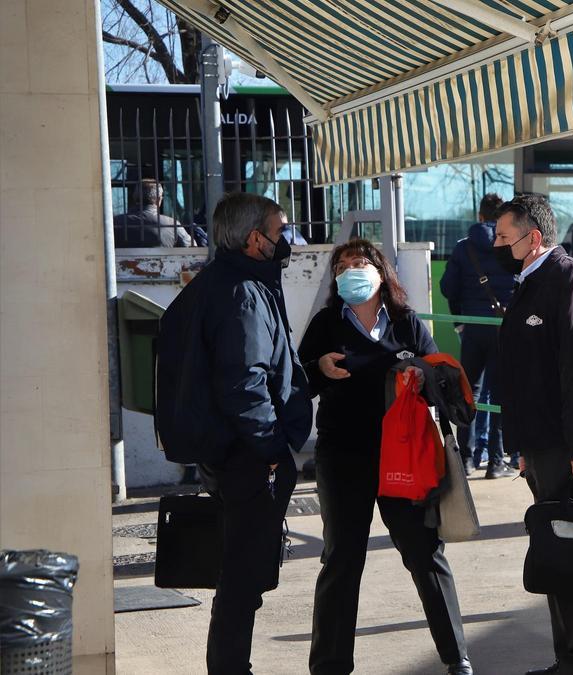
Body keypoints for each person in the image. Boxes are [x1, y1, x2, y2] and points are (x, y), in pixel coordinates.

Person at [299, 239, 473, 675]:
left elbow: (441, 378)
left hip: (405, 457)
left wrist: (423, 373)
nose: (351, 270)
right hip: (343, 456)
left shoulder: (406, 322)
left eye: (360, 262)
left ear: (380, 272)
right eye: (342, 265)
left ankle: (457, 659)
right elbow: (298, 382)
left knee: (424, 552)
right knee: (341, 558)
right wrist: (319, 368)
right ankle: (330, 666)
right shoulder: (325, 324)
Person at [155, 192, 311, 674]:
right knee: (243, 581)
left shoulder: (219, 283)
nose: (286, 239)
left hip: (229, 455)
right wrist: (269, 450)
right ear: (253, 239)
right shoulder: (241, 291)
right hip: (247, 458)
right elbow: (244, 382)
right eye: (279, 230)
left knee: (241, 578)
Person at [494, 194, 573, 675]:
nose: (500, 245)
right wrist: (523, 445)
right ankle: (568, 658)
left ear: (534, 237)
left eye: (506, 237)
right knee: (555, 552)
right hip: (543, 444)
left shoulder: (571, 281)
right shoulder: (532, 281)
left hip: (569, 446)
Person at [439, 193, 518, 478]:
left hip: (472, 329)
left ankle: (467, 459)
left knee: (467, 393)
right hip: (503, 331)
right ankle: (497, 463)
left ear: (480, 217)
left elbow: (448, 288)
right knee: (499, 396)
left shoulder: (463, 248)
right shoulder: (511, 246)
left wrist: (462, 318)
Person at [114, 179, 195, 247]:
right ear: (158, 199)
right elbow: (192, 249)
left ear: (134, 197)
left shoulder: (116, 222)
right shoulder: (172, 224)